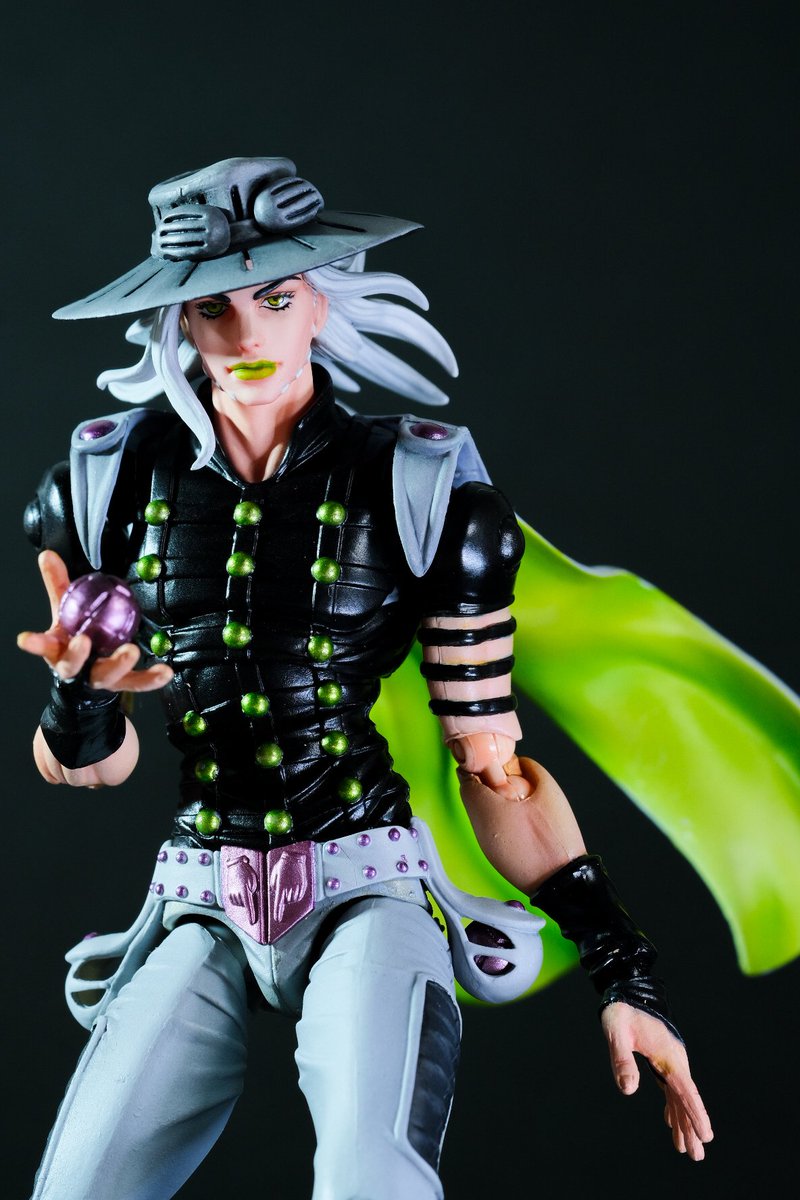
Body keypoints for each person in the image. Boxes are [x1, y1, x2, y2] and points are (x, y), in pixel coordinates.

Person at [20, 156, 712, 1200]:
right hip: (199, 895)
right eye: (211, 308)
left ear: (322, 300)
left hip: (363, 883)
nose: (245, 335)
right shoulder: (110, 480)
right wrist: (79, 693)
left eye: (274, 297)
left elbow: (494, 767)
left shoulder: (416, 486)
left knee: (368, 1173)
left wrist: (624, 971)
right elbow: (87, 767)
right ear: (177, 322)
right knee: (79, 1182)